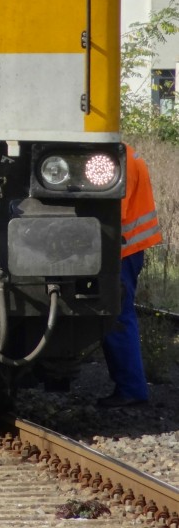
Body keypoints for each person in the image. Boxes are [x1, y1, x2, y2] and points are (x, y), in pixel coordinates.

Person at [98, 143, 163, 408]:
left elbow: (112, 215)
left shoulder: (114, 158)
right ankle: (130, 386)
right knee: (119, 315)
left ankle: (131, 388)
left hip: (122, 249)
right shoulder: (126, 152)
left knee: (117, 316)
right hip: (130, 247)